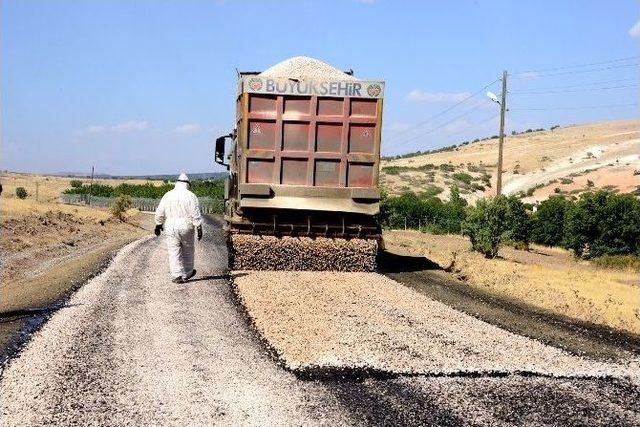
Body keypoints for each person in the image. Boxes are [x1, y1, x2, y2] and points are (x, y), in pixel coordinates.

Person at [154, 173, 203, 283]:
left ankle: (177, 275)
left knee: (173, 250)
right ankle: (188, 272)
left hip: (170, 226)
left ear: (177, 183)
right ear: (187, 184)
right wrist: (199, 227)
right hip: (186, 226)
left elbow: (160, 210)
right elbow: (195, 213)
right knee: (188, 250)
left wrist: (158, 224)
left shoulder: (168, 195)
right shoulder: (191, 195)